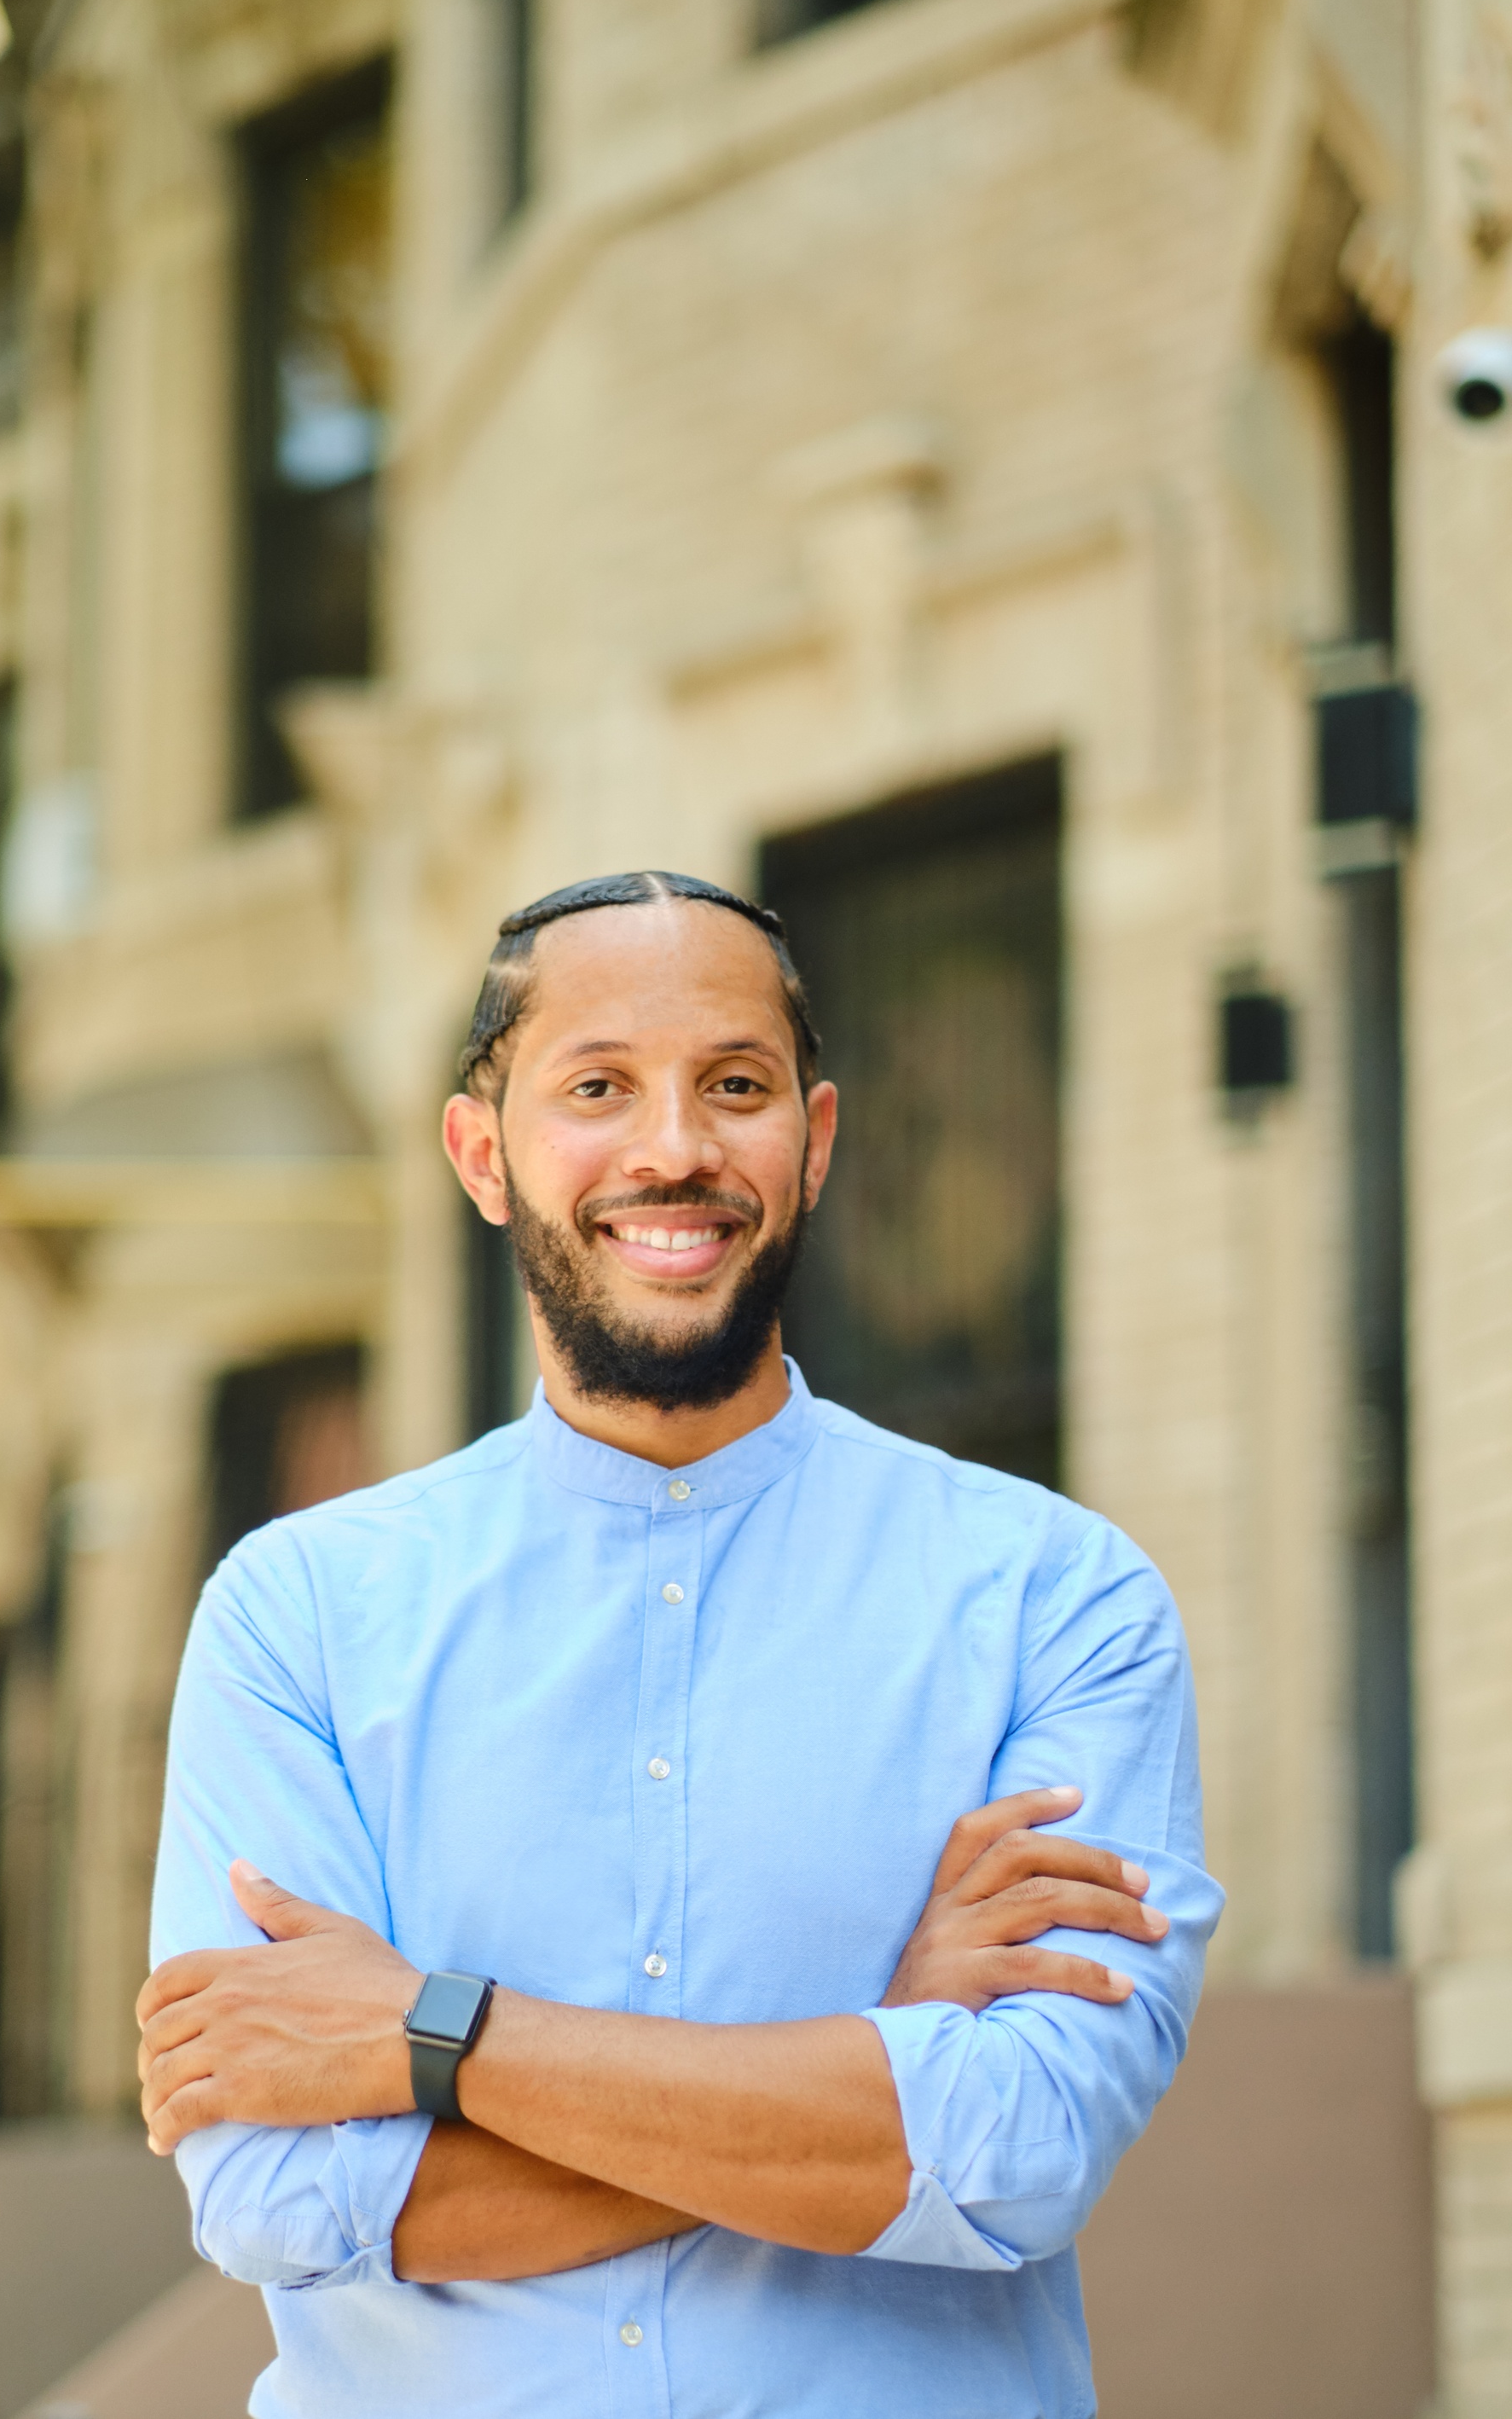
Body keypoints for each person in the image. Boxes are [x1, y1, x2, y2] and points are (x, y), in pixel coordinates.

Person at [139, 870, 1223, 2419]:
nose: (674, 1148)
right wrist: (875, 2064)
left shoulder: (1054, 1596)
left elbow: (1022, 2151)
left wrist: (433, 2030)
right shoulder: (299, 1614)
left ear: (817, 1140)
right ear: (482, 1152)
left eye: (735, 1085)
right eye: (597, 1087)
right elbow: (288, 2204)